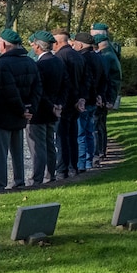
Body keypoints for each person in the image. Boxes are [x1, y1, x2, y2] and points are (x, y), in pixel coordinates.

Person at [0, 29, 41, 192]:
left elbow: (8, 91)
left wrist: (21, 110)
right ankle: (19, 180)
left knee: (0, 152)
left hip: (4, 113)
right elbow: (37, 88)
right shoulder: (30, 62)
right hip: (22, 112)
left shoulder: (2, 64)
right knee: (17, 150)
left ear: (3, 44)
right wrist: (29, 108)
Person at [27, 31, 65, 185]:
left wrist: (51, 105)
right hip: (54, 110)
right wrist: (59, 104)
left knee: (38, 146)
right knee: (50, 144)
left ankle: (37, 177)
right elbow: (65, 86)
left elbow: (39, 90)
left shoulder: (40, 65)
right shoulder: (59, 62)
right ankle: (51, 174)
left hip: (41, 110)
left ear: (37, 46)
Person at [53, 29, 84, 178]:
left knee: (62, 137)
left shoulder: (60, 57)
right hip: (76, 102)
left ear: (58, 42)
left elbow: (63, 82)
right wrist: (81, 98)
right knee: (72, 136)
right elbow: (86, 79)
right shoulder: (78, 56)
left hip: (66, 103)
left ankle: (62, 168)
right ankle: (73, 166)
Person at [71, 33, 103, 172]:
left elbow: (85, 81)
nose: (73, 46)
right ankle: (89, 161)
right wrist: (100, 95)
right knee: (90, 132)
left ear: (80, 44)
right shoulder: (99, 58)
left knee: (81, 133)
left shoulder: (82, 58)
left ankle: (81, 163)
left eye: (75, 43)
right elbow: (104, 78)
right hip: (94, 99)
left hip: (84, 100)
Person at [94, 34, 122, 161]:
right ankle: (102, 150)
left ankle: (100, 151)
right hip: (107, 96)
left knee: (98, 125)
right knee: (101, 125)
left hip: (104, 97)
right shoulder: (111, 54)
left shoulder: (106, 57)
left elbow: (112, 80)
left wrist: (110, 99)